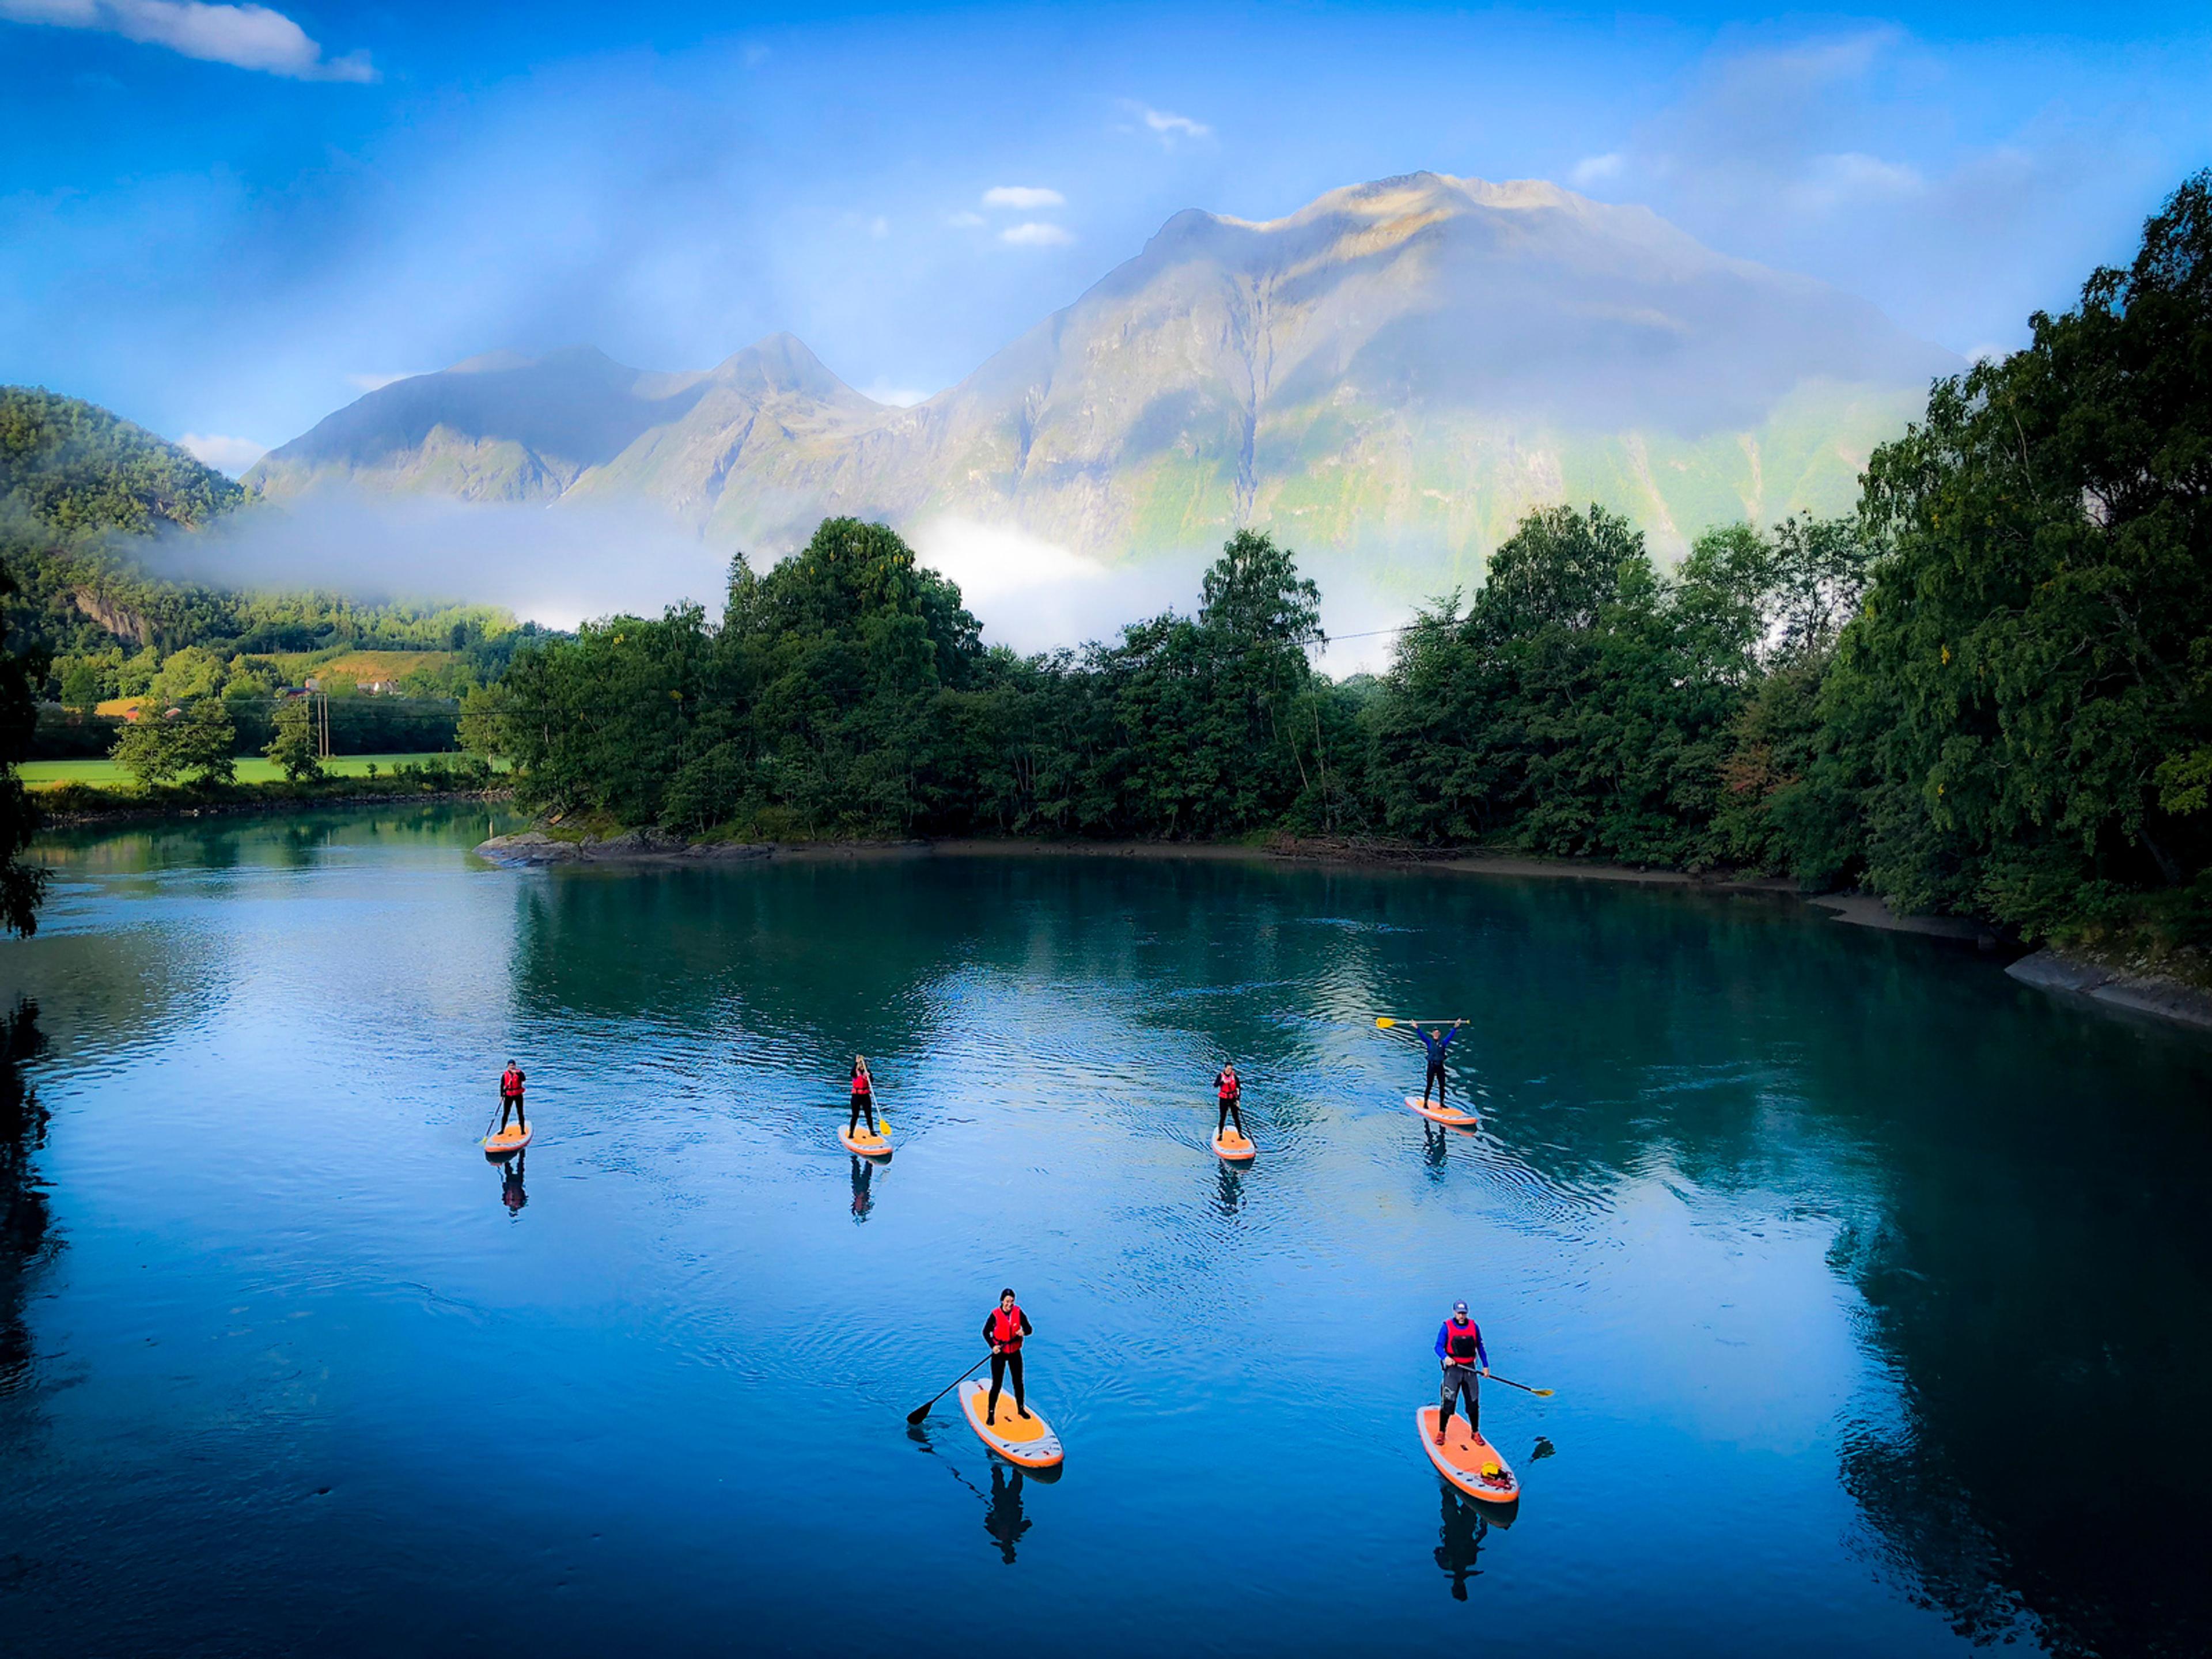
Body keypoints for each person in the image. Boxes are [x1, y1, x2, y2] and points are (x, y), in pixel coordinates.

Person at [1433, 1299, 1490, 1445]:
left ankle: (1475, 1432)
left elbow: (1480, 1347)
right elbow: (1438, 1347)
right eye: (1459, 1313)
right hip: (1453, 1370)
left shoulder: (1474, 1327)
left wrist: (1485, 1366)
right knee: (1448, 1403)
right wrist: (1445, 1358)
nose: (1462, 1316)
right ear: (1454, 1312)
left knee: (1473, 1403)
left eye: (1464, 1313)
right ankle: (1441, 1432)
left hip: (1470, 1370)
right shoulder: (1446, 1327)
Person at [982, 1287, 1034, 1426]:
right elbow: (985, 1332)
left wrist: (1024, 1332)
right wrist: (993, 1346)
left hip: (1015, 1353)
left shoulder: (1018, 1312)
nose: (1009, 1304)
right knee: (997, 1385)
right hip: (1000, 1354)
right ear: (1002, 1301)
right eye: (1007, 1301)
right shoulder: (995, 1315)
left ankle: (1021, 1409)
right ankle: (991, 1414)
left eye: (1012, 1301)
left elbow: (1029, 1329)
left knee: (1018, 1383)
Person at [1414, 1020, 1465, 1107]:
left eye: (1437, 1033)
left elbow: (1450, 1036)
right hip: (1432, 1066)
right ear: (1432, 1034)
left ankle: (1442, 1103)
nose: (1436, 1035)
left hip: (1440, 1067)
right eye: (1435, 1033)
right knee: (1429, 1085)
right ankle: (1425, 1103)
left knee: (1442, 1086)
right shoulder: (1429, 1042)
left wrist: (1455, 1027)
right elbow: (1422, 1036)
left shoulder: (1443, 1043)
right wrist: (1417, 1028)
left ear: (1440, 1034)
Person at [848, 1055, 878, 1140]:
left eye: (862, 1065)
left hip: (865, 1096)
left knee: (868, 1115)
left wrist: (869, 1077)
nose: (861, 1066)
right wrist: (856, 1062)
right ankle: (851, 1133)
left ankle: (872, 1131)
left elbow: (872, 1081)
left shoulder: (867, 1072)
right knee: (855, 1115)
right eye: (860, 1065)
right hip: (856, 1096)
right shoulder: (855, 1072)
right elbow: (852, 1073)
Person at [1214, 1062, 1245, 1141]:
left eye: (1231, 1069)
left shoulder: (1235, 1076)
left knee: (1236, 1117)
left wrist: (1238, 1100)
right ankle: (1220, 1135)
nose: (1229, 1071)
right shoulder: (1220, 1076)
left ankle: (1240, 1134)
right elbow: (1215, 1085)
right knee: (1223, 1117)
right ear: (1225, 1069)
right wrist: (1222, 1082)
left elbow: (1238, 1089)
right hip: (1224, 1099)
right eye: (1228, 1069)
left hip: (1233, 1099)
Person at [498, 1060, 527, 1133]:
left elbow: (523, 1079)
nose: (512, 1067)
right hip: (508, 1095)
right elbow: (502, 1085)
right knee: (506, 1113)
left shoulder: (519, 1073)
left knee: (520, 1113)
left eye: (513, 1065)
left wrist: (518, 1073)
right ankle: (502, 1130)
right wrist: (501, 1096)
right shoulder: (505, 1075)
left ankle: (522, 1130)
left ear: (515, 1066)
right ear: (508, 1066)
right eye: (510, 1066)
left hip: (518, 1095)